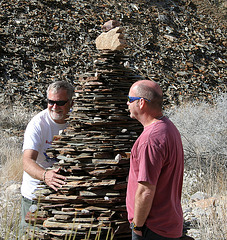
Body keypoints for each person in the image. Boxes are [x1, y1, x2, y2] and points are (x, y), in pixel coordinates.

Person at [126, 80, 184, 240]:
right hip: (168, 225)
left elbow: (145, 190)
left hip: (153, 229)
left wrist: (137, 227)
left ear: (141, 103)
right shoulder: (168, 128)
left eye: (130, 99)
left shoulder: (150, 139)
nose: (127, 103)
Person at [20, 81, 74, 234]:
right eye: (51, 102)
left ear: (71, 103)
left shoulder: (77, 122)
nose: (54, 107)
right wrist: (45, 175)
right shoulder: (38, 124)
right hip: (36, 194)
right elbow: (27, 161)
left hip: (65, 195)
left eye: (60, 102)